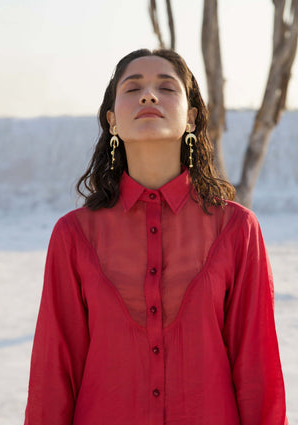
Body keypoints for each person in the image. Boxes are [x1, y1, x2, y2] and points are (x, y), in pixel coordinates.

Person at [24, 49, 287, 425]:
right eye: (133, 88)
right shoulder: (74, 234)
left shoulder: (236, 229)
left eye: (166, 87)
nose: (149, 96)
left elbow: (258, 375)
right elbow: (53, 376)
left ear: (191, 117)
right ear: (112, 120)